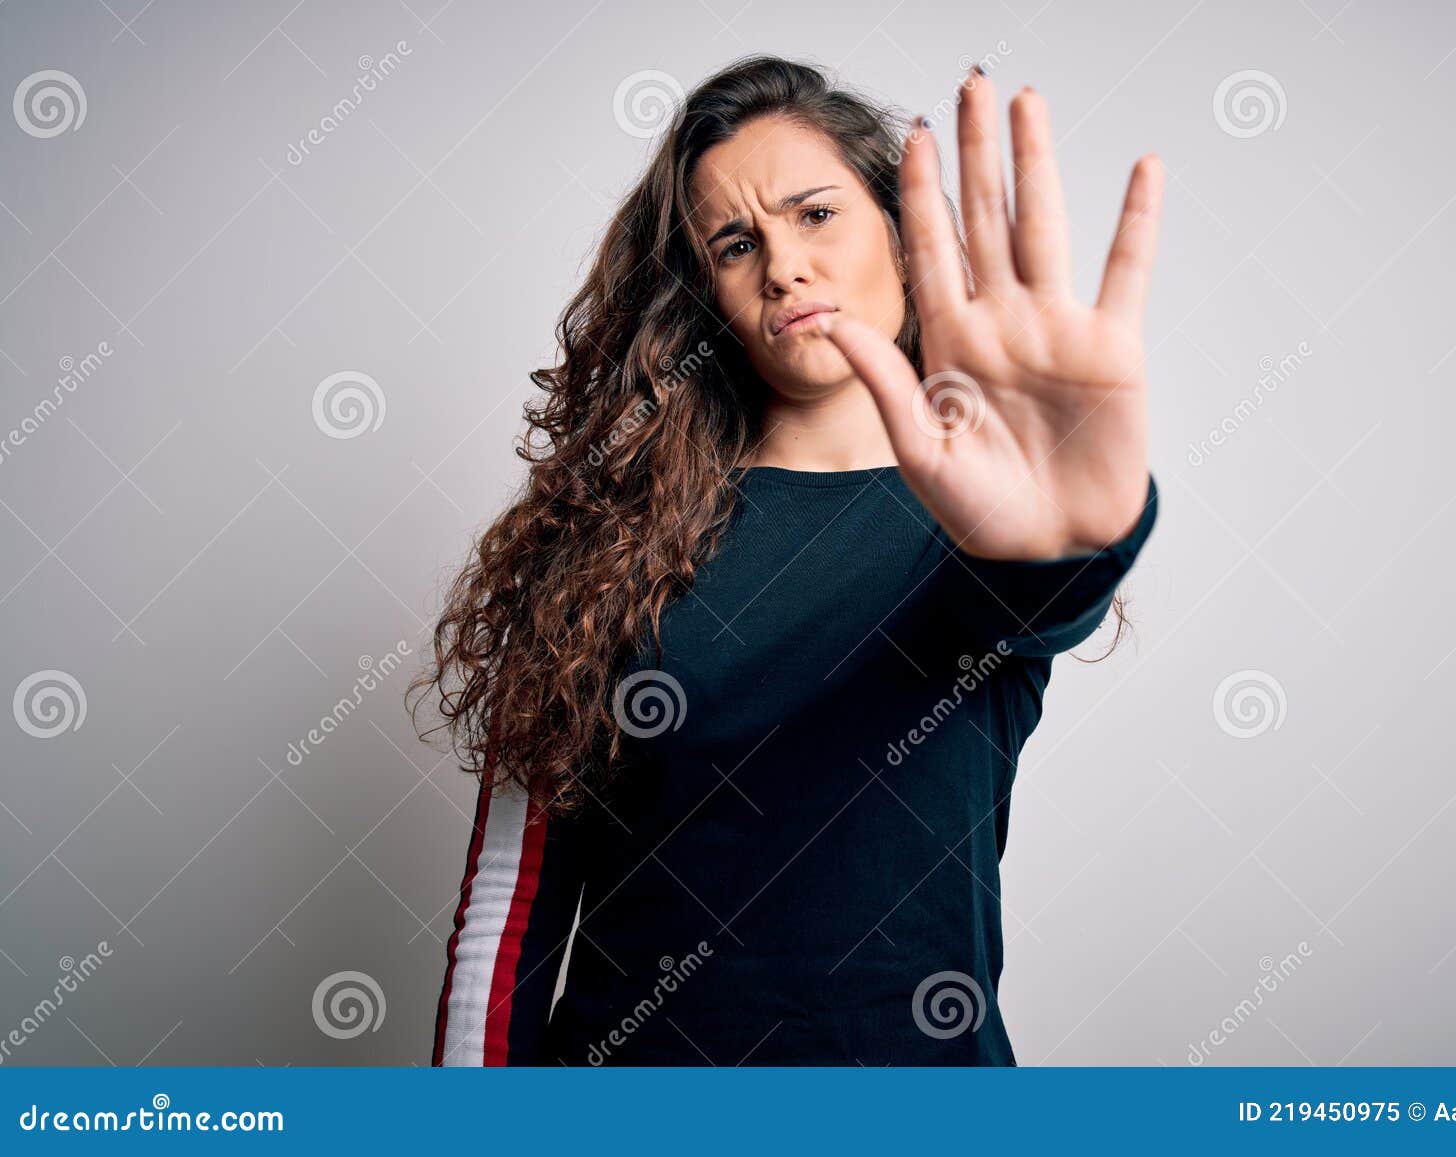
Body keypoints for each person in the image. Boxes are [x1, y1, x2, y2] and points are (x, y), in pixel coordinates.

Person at [412, 52, 1164, 1066]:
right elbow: (513, 899)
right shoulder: (604, 545)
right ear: (703, 294)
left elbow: (1042, 587)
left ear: (900, 237)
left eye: (815, 215)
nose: (782, 266)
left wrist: (1084, 531)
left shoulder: (984, 528)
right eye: (734, 242)